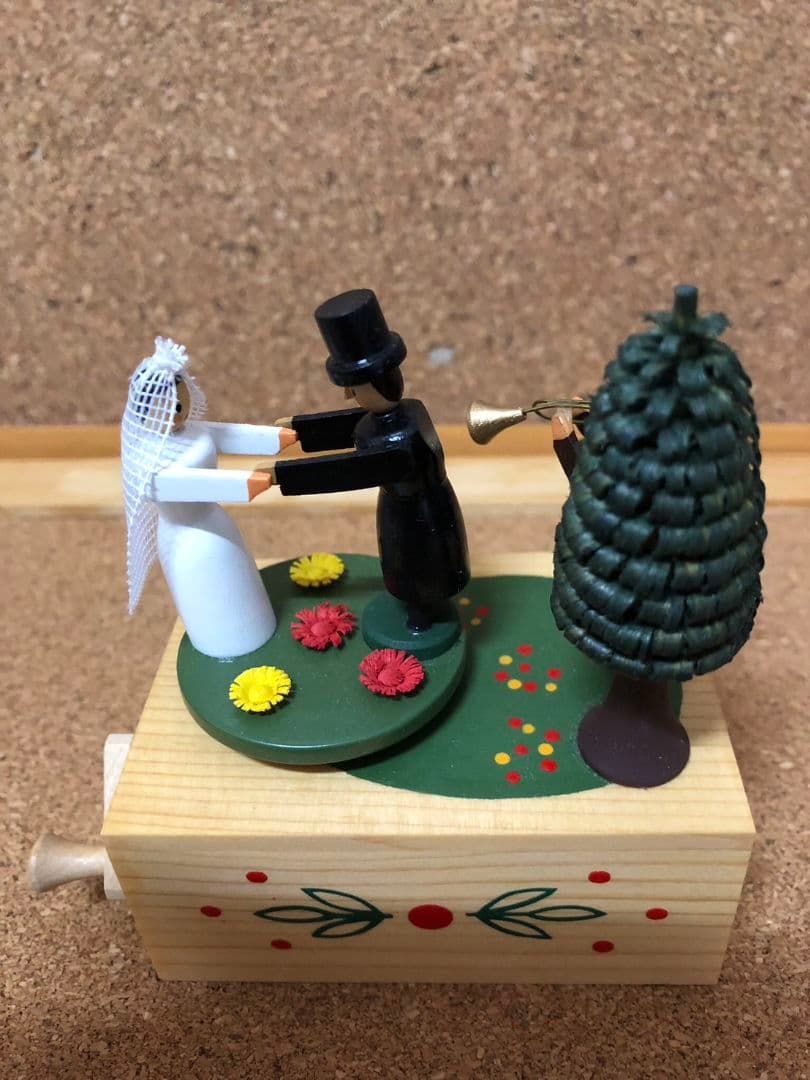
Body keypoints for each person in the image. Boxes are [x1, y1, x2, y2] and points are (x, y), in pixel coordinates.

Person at [273, 289, 470, 633]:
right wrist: (300, 432)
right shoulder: (402, 415)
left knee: (420, 570)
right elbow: (353, 427)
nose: (350, 395)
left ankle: (423, 617)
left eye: (355, 388)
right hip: (402, 509)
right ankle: (419, 606)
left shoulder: (400, 439)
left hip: (420, 516)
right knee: (403, 564)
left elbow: (352, 470)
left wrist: (283, 476)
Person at [121, 337, 296, 659]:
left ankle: (257, 630)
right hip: (187, 541)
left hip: (216, 524)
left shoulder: (192, 432)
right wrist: (243, 483)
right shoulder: (147, 459)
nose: (178, 409)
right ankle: (223, 648)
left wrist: (274, 439)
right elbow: (179, 484)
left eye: (180, 398)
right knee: (211, 598)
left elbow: (226, 434)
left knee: (240, 583)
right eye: (168, 403)